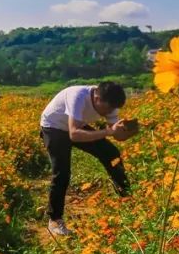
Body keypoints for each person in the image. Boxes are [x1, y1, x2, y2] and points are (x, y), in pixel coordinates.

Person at [39, 81, 137, 237]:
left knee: (111, 153)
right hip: (54, 127)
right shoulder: (77, 96)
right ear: (97, 97)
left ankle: (127, 198)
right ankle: (55, 219)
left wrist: (129, 131)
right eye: (107, 108)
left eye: (112, 109)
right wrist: (108, 131)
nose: (109, 112)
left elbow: (117, 135)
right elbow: (74, 135)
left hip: (75, 126)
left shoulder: (109, 104)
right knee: (62, 172)